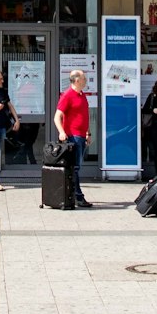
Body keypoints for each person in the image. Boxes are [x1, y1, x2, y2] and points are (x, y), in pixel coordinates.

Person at [53, 69, 92, 209]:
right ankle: (78, 197)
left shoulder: (82, 95)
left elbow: (84, 115)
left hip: (81, 136)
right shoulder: (67, 95)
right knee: (75, 168)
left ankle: (74, 195)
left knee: (76, 167)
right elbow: (57, 116)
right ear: (76, 80)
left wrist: (88, 133)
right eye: (83, 78)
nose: (85, 80)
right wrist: (62, 132)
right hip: (73, 136)